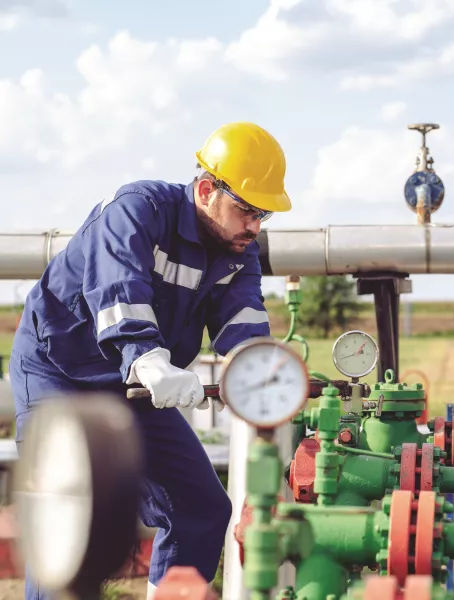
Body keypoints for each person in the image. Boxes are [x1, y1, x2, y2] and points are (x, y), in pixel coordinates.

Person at [10, 121, 292, 600]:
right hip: (58, 371)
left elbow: (242, 322)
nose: (255, 227)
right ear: (206, 190)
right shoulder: (138, 210)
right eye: (247, 210)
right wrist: (147, 359)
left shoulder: (239, 252)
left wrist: (258, 377)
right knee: (68, 517)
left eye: (263, 214)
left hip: (134, 385)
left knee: (200, 508)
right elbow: (118, 292)